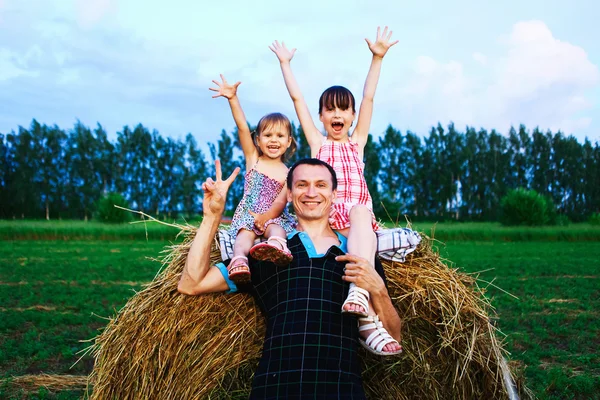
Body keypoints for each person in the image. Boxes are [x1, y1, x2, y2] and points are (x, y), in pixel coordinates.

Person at [178, 158, 402, 399]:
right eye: (302, 185)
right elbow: (191, 283)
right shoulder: (268, 251)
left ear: (335, 194)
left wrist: (377, 288)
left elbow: (394, 335)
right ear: (289, 193)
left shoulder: (359, 252)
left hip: (341, 390)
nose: (311, 193)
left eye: (321, 185)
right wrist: (212, 216)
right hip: (274, 390)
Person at [269, 27, 401, 354]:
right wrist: (286, 64)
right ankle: (368, 322)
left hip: (356, 220)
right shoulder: (318, 142)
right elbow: (297, 99)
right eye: (331, 109)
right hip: (326, 219)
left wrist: (377, 57)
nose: (338, 114)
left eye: (344, 109)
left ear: (353, 116)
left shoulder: (358, 143)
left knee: (360, 213)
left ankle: (359, 293)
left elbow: (369, 96)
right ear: (322, 116)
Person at [209, 74, 297, 284]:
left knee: (277, 230)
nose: (273, 141)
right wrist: (232, 99)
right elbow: (241, 126)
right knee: (243, 237)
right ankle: (239, 261)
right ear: (257, 140)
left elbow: (281, 201)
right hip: (248, 215)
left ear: (288, 142)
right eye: (267, 136)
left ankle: (276, 246)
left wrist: (266, 218)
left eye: (279, 136)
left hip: (274, 216)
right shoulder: (254, 160)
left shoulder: (289, 172)